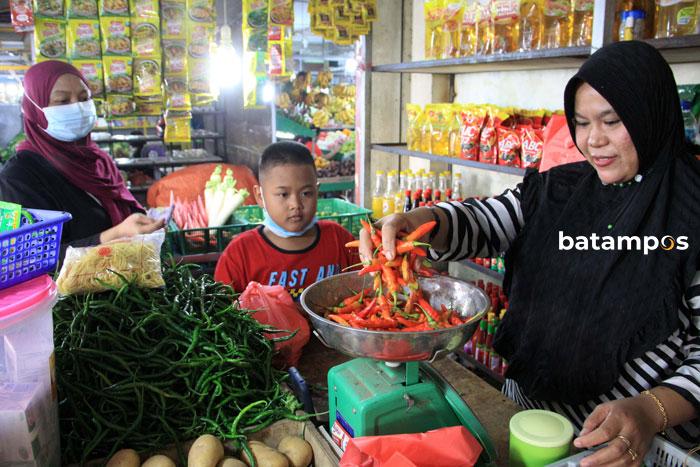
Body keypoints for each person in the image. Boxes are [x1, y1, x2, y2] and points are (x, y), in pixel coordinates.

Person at [360, 41, 700, 462]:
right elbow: (485, 222)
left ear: (650, 114)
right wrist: (420, 221)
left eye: (612, 121)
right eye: (581, 123)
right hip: (524, 413)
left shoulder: (690, 216)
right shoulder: (562, 191)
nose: (593, 140)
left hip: (623, 443)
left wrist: (649, 411)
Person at [0, 61, 163, 249]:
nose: (78, 107)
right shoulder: (17, 177)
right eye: (63, 101)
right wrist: (113, 236)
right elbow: (24, 255)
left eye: (84, 98)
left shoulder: (99, 161)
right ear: (35, 110)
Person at [214, 141, 358, 300]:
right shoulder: (239, 254)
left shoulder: (340, 240)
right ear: (260, 196)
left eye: (306, 193)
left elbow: (368, 287)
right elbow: (220, 307)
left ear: (317, 192)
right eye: (283, 194)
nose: (295, 204)